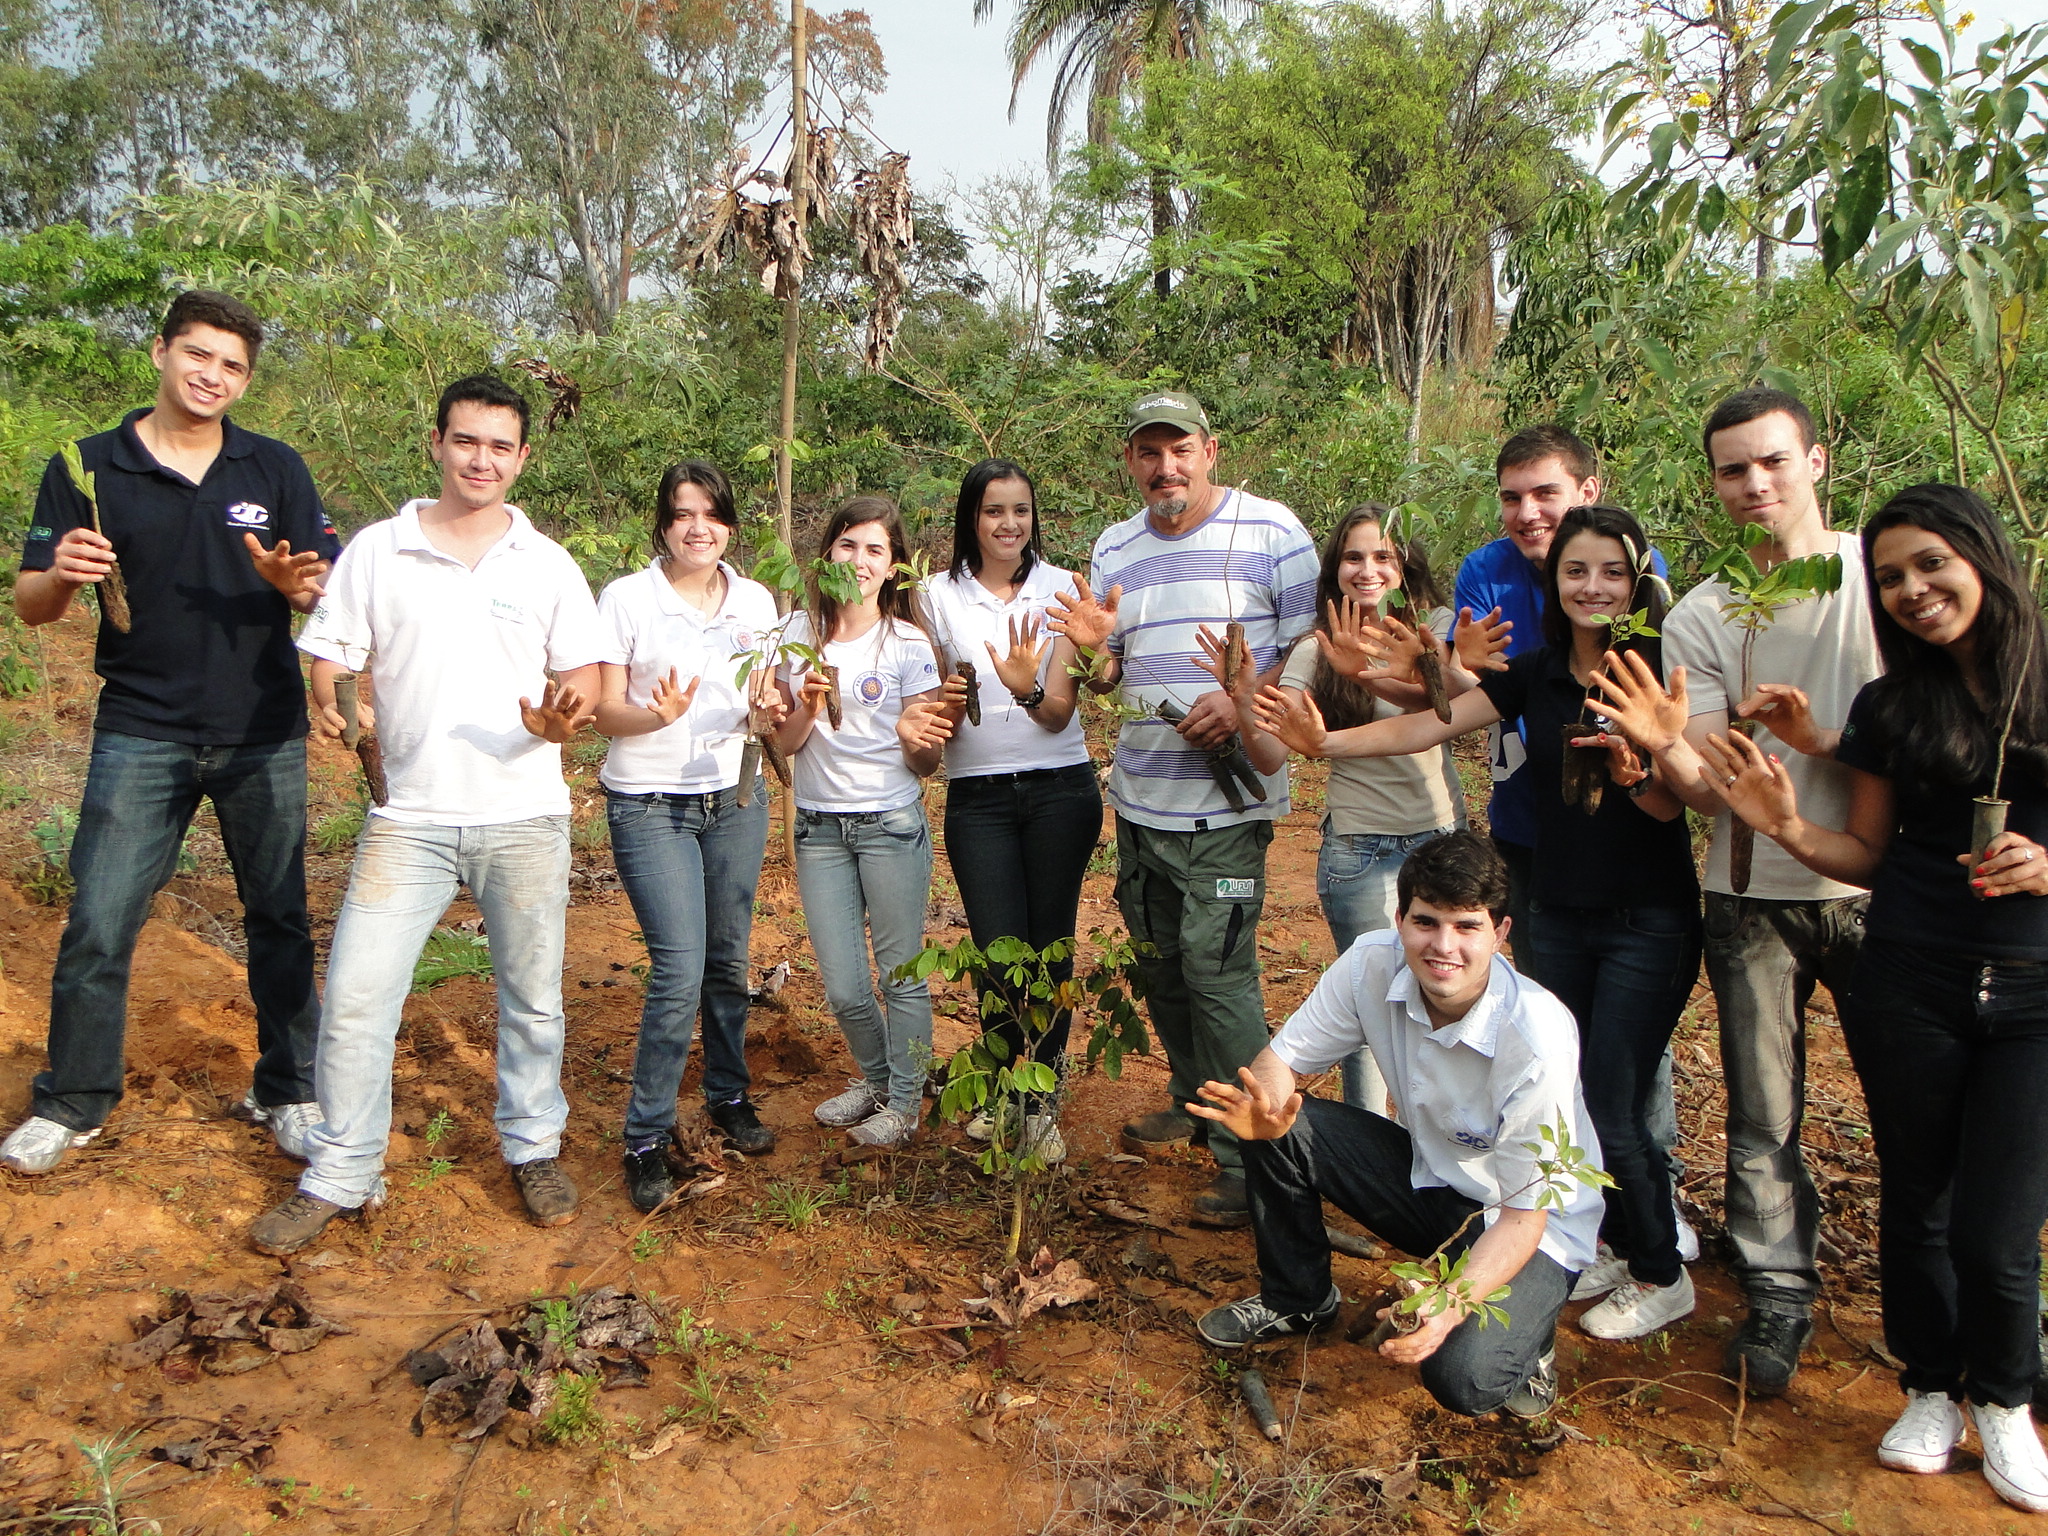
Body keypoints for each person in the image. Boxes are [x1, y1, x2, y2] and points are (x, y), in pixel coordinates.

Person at [1257, 506, 1700, 1340]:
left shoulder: (1656, 673)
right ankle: (1600, 1239)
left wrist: (1651, 763)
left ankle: (1658, 1267)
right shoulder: (1537, 672)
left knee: (1614, 1096)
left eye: (1612, 572)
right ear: (1553, 582)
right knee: (1580, 1093)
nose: (1593, 587)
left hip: (1646, 915)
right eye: (1575, 572)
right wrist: (1328, 746)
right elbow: (1432, 720)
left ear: (1639, 581)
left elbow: (1682, 801)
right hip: (1555, 906)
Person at [1693, 484, 2048, 1512]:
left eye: (1930, 563)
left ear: (1981, 555)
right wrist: (1782, 824)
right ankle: (1930, 1387)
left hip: (2034, 992)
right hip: (1910, 979)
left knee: (1997, 1229)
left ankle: (2005, 1402)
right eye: (1889, 576)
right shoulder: (1890, 708)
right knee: (1917, 1201)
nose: (1911, 590)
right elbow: (1865, 854)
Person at [247, 374, 604, 1254]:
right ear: (436, 444)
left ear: (523, 458)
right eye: (466, 441)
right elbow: (333, 656)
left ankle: (532, 1147)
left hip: (524, 815)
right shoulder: (379, 550)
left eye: (499, 446)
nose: (482, 460)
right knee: (357, 997)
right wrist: (335, 702)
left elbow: (585, 677)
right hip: (408, 819)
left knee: (532, 1000)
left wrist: (565, 718)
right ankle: (341, 1169)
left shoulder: (548, 563)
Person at [3, 291, 339, 1176]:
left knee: (279, 917)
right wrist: (61, 575)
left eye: (232, 365)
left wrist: (295, 587)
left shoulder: (274, 468)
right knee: (100, 919)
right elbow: (32, 605)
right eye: (197, 354)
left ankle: (289, 1089)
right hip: (141, 728)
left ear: (247, 380)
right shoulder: (87, 467)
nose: (211, 376)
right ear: (160, 352)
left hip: (262, 730)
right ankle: (73, 1100)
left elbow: (327, 587)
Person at [1594, 387, 1879, 1394]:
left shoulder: (1879, 580)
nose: (1753, 484)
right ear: (1713, 483)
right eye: (1732, 469)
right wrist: (1665, 748)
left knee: (1923, 1107)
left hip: (1879, 886)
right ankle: (1777, 1296)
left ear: (1816, 460)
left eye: (1771, 461)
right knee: (1763, 1114)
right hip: (1751, 896)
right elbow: (1707, 785)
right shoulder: (1706, 613)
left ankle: (1964, 1308)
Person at [1189, 831, 1604, 1418]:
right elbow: (1281, 1061)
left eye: (1467, 926)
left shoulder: (1536, 1037)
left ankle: (1531, 1337)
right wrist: (1267, 1107)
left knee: (1464, 1377)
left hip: (1531, 1223)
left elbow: (1523, 1217)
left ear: (1501, 932)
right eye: (1426, 922)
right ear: (1400, 919)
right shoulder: (1371, 963)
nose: (1443, 946)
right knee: (1279, 1123)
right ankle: (1298, 1297)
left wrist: (1451, 1304)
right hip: (1434, 1181)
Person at [1048, 390, 1318, 1226]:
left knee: (1219, 977)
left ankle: (1251, 1156)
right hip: (1142, 801)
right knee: (1161, 966)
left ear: (1210, 451)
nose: (1165, 467)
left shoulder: (1272, 532)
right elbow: (1110, 672)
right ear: (1130, 461)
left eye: (1180, 450)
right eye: (1148, 452)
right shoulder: (1116, 546)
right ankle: (1194, 1099)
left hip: (1227, 807)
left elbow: (1313, 649)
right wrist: (1092, 654)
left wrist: (1245, 703)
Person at [593, 461, 786, 1212]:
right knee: (678, 967)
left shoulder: (756, 601)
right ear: (663, 525)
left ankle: (727, 1094)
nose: (697, 528)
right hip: (649, 804)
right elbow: (603, 710)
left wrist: (768, 711)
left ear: (730, 525)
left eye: (711, 514)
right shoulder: (627, 598)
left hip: (735, 797)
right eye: (682, 514)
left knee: (727, 958)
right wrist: (656, 716)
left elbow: (766, 700)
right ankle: (646, 1135)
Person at [900, 460, 1098, 1164]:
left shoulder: (1062, 588)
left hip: (1060, 790)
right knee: (995, 950)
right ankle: (1003, 1089)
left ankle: (1040, 1103)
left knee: (1050, 946)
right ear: (971, 519)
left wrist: (1024, 687)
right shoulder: (932, 595)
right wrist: (942, 707)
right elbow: (933, 703)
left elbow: (1059, 713)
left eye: (1021, 510)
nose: (1009, 524)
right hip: (978, 797)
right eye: (993, 511)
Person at [1249, 505, 1475, 1115]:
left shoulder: (1434, 629)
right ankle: (1371, 1145)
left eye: (1383, 556)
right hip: (1359, 848)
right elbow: (1270, 754)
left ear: (1406, 567)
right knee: (1373, 1004)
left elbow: (1468, 702)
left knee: (1450, 998)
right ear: (1335, 571)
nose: (1367, 569)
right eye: (1353, 557)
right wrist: (1246, 697)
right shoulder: (1317, 647)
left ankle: (1445, 1141)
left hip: (1441, 838)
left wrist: (1392, 671)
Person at [774, 496, 945, 1151]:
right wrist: (808, 705)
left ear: (894, 565)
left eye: (876, 549)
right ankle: (879, 1081)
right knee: (844, 986)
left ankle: (904, 1105)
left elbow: (927, 760)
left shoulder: (907, 643)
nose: (860, 560)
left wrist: (910, 738)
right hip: (819, 829)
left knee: (901, 974)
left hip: (889, 825)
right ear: (827, 554)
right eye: (848, 545)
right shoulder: (795, 633)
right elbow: (786, 744)